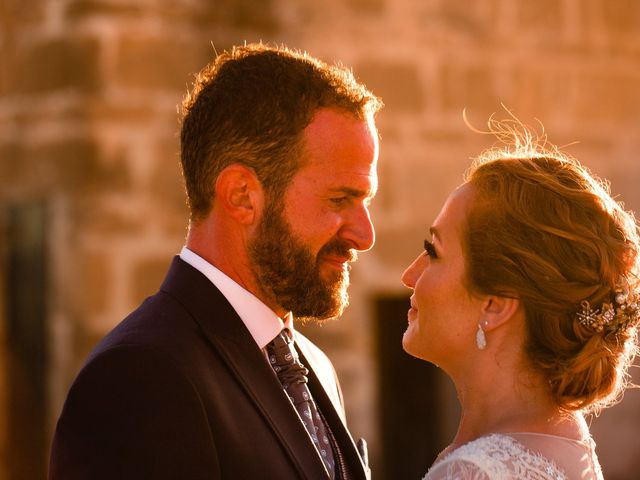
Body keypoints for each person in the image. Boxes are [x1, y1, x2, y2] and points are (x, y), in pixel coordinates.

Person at [49, 43, 382, 479]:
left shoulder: (314, 365)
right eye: (340, 199)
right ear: (242, 196)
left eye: (366, 200)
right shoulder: (138, 378)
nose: (365, 235)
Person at [401, 116, 639, 479]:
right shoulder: (567, 441)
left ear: (495, 303)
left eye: (432, 251)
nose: (409, 276)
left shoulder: (475, 472)